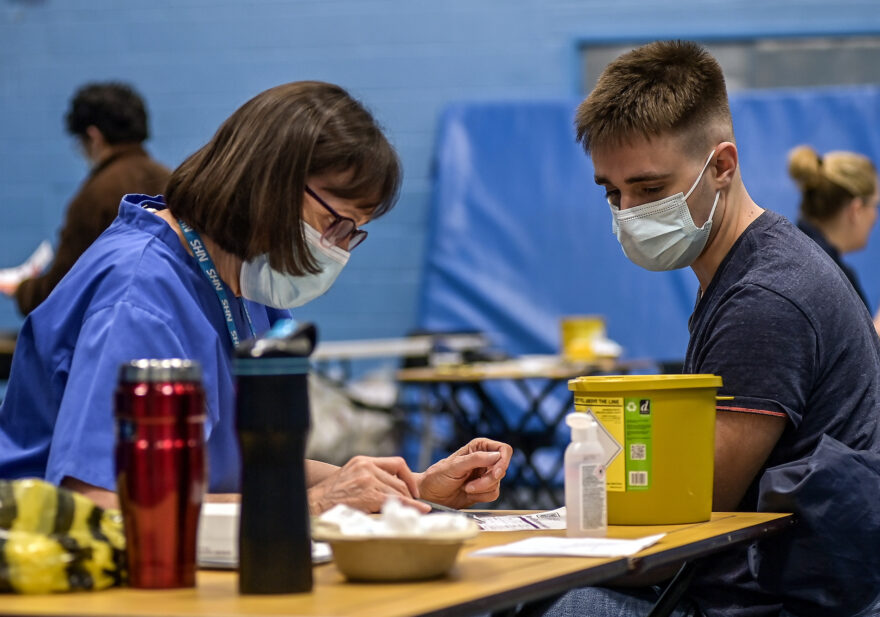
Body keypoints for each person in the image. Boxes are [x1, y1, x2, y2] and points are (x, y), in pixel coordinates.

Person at [0, 81, 512, 515]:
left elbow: (236, 464)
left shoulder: (243, 280)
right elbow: (102, 504)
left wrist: (405, 489)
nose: (335, 248)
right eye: (333, 223)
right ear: (267, 182)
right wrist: (310, 504)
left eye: (353, 232)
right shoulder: (139, 295)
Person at [518, 41, 880, 617]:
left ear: (721, 166)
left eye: (649, 190)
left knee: (561, 605)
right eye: (612, 192)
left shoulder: (766, 298)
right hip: (772, 583)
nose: (627, 212)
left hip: (778, 603)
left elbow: (686, 524)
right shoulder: (748, 266)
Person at [0, 82, 171, 315]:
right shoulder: (170, 180)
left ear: (94, 137)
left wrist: (23, 290)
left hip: (119, 330)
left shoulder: (95, 196)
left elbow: (63, 288)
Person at [789, 145, 880, 375]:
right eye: (876, 205)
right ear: (856, 209)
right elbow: (853, 373)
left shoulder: (801, 255)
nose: (876, 216)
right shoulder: (825, 274)